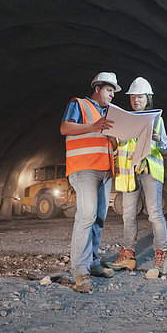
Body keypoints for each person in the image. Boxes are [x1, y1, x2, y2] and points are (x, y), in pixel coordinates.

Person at [60, 71, 120, 293]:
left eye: (114, 91)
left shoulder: (107, 115)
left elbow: (105, 143)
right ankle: (80, 271)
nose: (112, 94)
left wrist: (113, 139)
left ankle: (93, 262)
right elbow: (65, 128)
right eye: (109, 89)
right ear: (97, 88)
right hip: (84, 168)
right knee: (87, 215)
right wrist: (95, 126)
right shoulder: (79, 104)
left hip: (104, 170)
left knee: (99, 218)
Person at [108, 77, 167, 278]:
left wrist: (158, 139)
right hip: (129, 172)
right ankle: (128, 255)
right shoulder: (124, 121)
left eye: (140, 97)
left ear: (148, 98)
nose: (136, 100)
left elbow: (166, 147)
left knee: (154, 213)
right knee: (128, 214)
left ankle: (161, 257)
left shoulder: (157, 120)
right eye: (133, 97)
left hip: (151, 170)